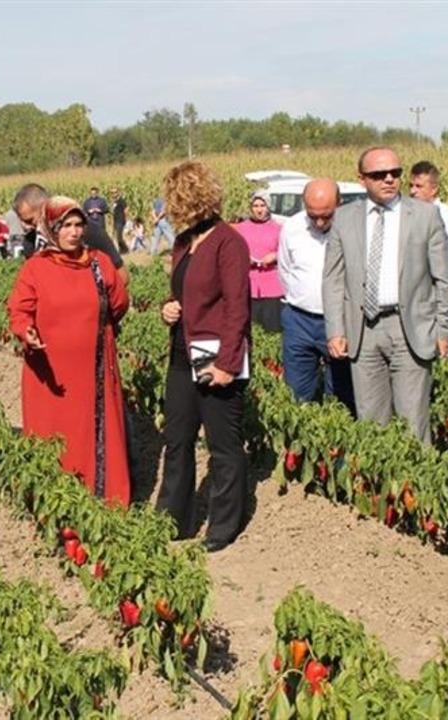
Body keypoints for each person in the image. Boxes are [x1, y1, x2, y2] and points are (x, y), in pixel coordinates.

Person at [323, 147, 448, 444]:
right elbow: (333, 278)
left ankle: (418, 488)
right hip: (363, 330)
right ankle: (379, 488)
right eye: (379, 174)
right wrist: (335, 329)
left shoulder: (424, 215)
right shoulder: (344, 218)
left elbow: (444, 278)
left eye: (395, 173)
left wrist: (443, 329)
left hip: (409, 327)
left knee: (413, 423)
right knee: (371, 424)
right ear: (361, 179)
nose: (389, 180)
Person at [7, 197, 131, 506]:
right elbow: (19, 311)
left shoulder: (99, 263)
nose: (74, 232)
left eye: (78, 225)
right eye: (66, 226)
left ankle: (105, 500)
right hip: (51, 372)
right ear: (52, 229)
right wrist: (27, 331)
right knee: (56, 435)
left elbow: (119, 302)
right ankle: (59, 502)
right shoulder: (36, 268)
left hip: (95, 367)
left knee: (97, 431)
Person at [154, 161, 250, 553]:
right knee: (177, 439)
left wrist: (227, 364)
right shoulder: (183, 242)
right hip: (182, 354)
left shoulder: (229, 242)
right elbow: (181, 292)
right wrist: (168, 308)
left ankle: (224, 525)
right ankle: (172, 520)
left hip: (216, 357)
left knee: (223, 446)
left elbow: (236, 307)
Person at [277, 179, 355, 411]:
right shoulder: (292, 228)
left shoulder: (353, 229)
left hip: (341, 321)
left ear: (339, 205)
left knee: (342, 394)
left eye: (327, 215)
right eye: (313, 216)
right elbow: (285, 270)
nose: (320, 222)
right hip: (298, 320)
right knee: (297, 392)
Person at [13, 183, 129, 286]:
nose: (25, 226)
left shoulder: (88, 231)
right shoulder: (30, 242)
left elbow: (122, 276)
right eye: (22, 221)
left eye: (30, 220)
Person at [233, 189, 284, 332]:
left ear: (268, 207)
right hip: (248, 284)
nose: (259, 210)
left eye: (262, 205)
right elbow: (233, 250)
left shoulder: (278, 229)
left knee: (272, 328)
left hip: (273, 286)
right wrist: (243, 257)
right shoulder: (240, 229)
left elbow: (287, 253)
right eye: (256, 206)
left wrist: (275, 256)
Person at [410, 160, 448, 265]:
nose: (412, 191)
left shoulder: (447, 215)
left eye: (418, 186)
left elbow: (427, 247)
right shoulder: (408, 212)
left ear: (433, 189)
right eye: (411, 185)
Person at [111, 188, 128, 253]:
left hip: (120, 220)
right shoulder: (114, 202)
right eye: (112, 193)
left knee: (119, 237)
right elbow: (113, 212)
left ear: (118, 193)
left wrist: (125, 219)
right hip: (116, 221)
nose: (113, 194)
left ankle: (125, 249)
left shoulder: (122, 200)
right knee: (117, 236)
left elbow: (126, 210)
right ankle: (122, 250)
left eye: (115, 192)